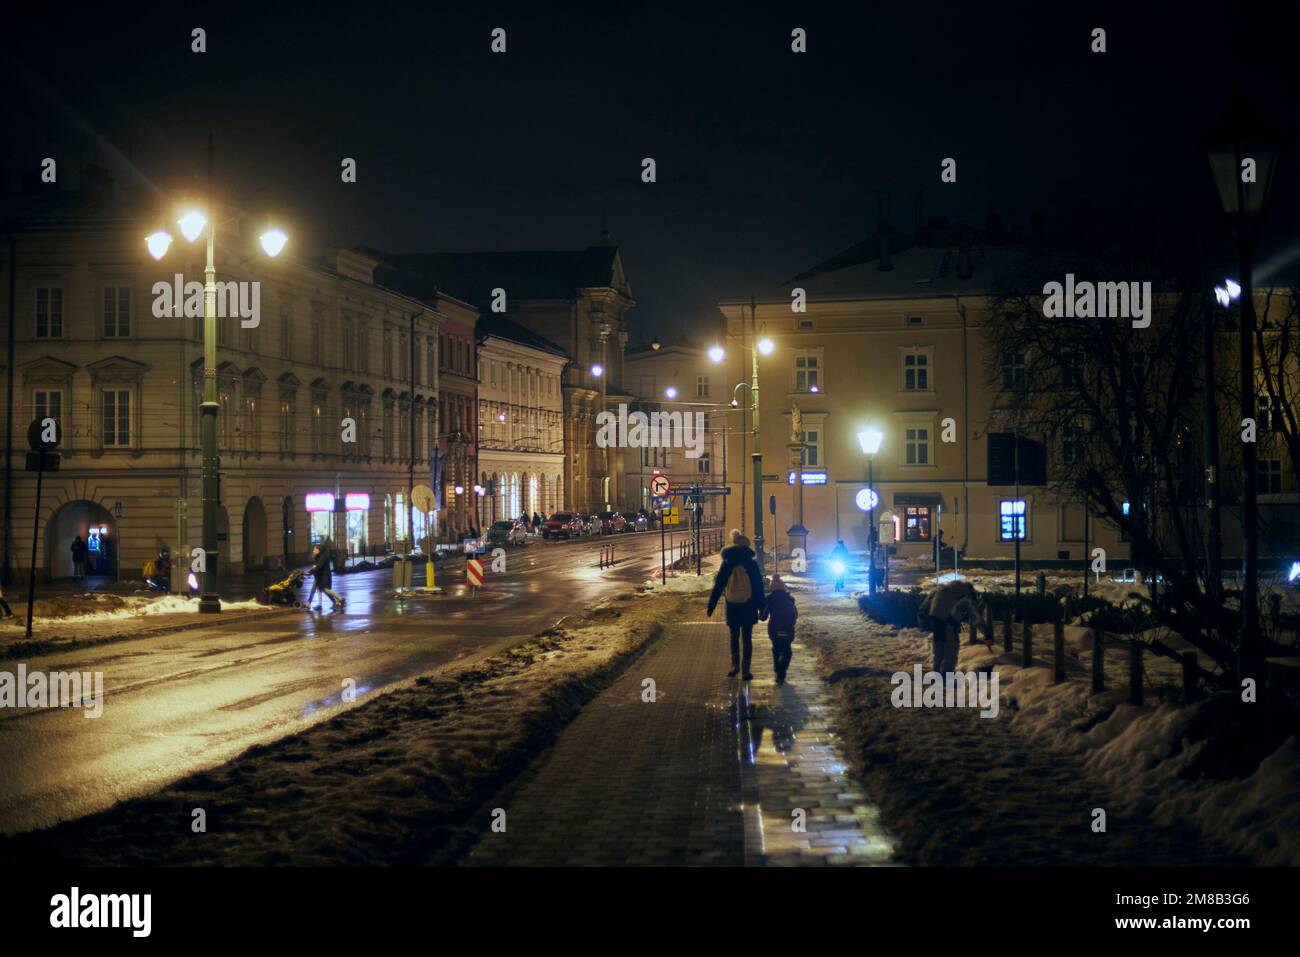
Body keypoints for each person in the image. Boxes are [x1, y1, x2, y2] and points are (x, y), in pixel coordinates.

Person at [707, 529, 766, 680]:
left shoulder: (727, 562)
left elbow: (719, 584)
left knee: (734, 636)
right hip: (749, 604)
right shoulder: (751, 563)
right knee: (747, 638)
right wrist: (762, 608)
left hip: (732, 604)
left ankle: (735, 666)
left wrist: (711, 606)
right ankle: (746, 670)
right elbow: (758, 586)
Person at [920, 580, 979, 673]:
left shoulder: (943, 589)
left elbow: (928, 600)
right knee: (952, 647)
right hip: (948, 620)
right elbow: (975, 617)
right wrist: (987, 632)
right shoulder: (963, 596)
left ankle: (936, 670)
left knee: (938, 643)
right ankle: (948, 673)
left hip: (935, 618)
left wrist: (923, 614)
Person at [761, 574, 799, 685]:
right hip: (788, 629)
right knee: (787, 649)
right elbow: (795, 615)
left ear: (772, 588)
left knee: (776, 649)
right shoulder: (790, 599)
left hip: (774, 629)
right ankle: (783, 669)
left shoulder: (770, 599)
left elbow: (763, 617)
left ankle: (778, 671)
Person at [307, 545, 344, 611]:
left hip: (324, 577)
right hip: (320, 576)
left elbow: (318, 567)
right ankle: (320, 604)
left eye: (315, 549)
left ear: (319, 550)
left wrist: (310, 572)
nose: (313, 551)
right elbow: (315, 566)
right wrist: (311, 571)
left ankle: (340, 598)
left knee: (326, 590)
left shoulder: (322, 557)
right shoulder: (318, 557)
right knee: (319, 590)